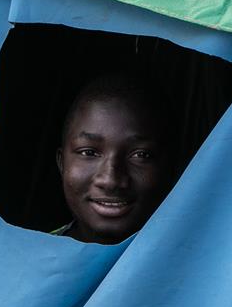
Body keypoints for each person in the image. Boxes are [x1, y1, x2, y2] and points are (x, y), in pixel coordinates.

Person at [52, 74, 177, 244]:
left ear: (172, 168)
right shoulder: (25, 262)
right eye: (89, 152)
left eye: (141, 155)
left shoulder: (209, 265)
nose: (110, 181)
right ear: (61, 163)